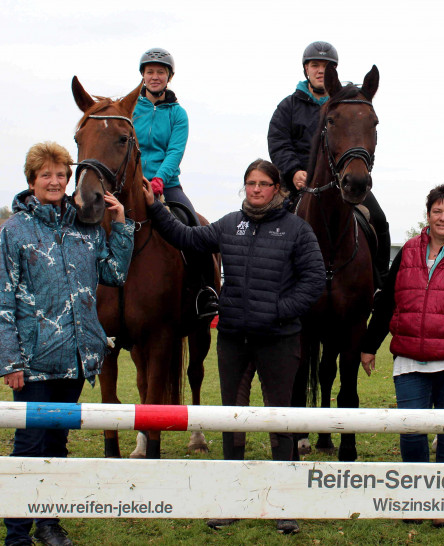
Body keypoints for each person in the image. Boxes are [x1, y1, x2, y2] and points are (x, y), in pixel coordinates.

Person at [141, 159, 325, 535]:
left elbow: (314, 280)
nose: (256, 189)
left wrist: (279, 311)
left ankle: (282, 504)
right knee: (232, 418)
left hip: (279, 339)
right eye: (250, 183)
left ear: (277, 188)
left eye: (263, 183)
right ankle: (231, 500)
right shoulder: (228, 224)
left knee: (281, 421)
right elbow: (186, 238)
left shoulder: (297, 229)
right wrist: (154, 208)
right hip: (234, 340)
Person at [0, 142, 133, 546]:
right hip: (34, 360)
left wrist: (121, 224)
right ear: (31, 182)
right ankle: (17, 534)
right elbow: (4, 299)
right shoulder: (15, 230)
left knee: (57, 444)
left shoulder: (86, 226)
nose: (56, 182)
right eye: (47, 175)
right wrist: (10, 361)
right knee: (29, 445)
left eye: (61, 175)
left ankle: (49, 523)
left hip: (77, 358)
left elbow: (114, 274)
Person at [360, 184, 444, 529]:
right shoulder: (407, 250)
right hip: (410, 359)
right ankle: (415, 497)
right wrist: (369, 344)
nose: (443, 217)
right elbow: (388, 301)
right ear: (428, 215)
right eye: (437, 211)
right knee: (411, 430)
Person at [267, 41, 391, 287]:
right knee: (268, 223)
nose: (320, 70)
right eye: (315, 65)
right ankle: (268, 287)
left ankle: (379, 285)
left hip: (341, 178)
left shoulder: (346, 106)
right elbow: (278, 142)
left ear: (334, 71)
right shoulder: (288, 106)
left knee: (378, 218)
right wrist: (293, 171)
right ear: (306, 70)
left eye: (327, 66)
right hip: (298, 180)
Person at [132, 47, 218, 318]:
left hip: (166, 184)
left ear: (169, 77)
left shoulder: (178, 114)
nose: (155, 76)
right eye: (150, 72)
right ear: (143, 76)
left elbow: (174, 151)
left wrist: (159, 179)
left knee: (192, 223)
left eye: (160, 72)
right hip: (131, 182)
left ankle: (205, 291)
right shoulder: (131, 109)